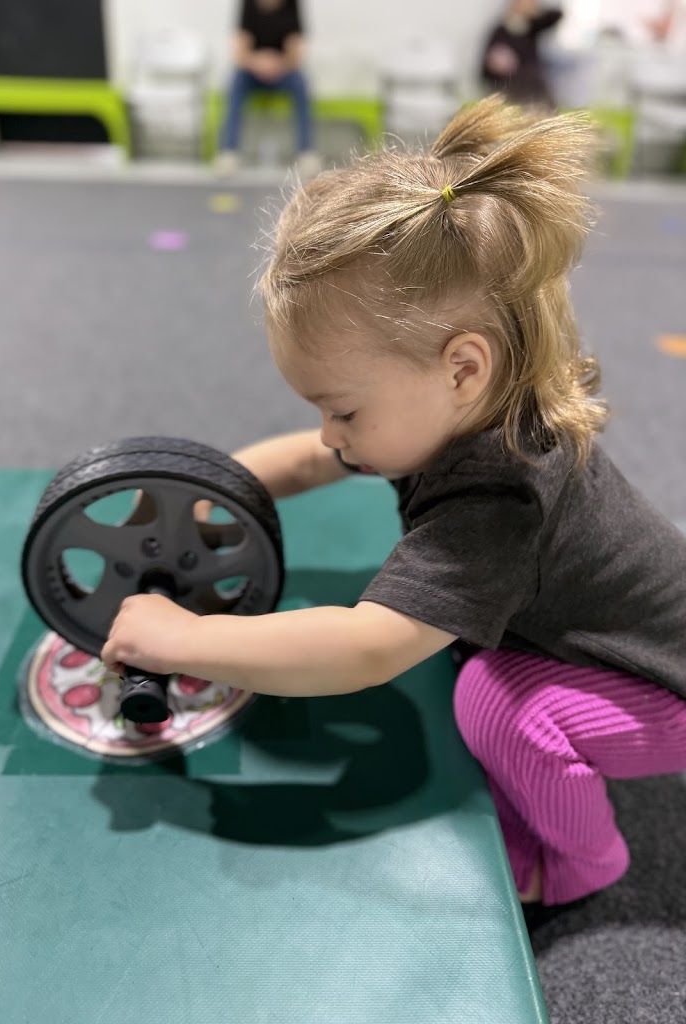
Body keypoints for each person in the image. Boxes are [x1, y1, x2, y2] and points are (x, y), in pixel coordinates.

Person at [103, 96, 686, 914]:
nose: (331, 435)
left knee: (496, 706)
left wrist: (190, 639)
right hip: (628, 627)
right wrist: (204, 500)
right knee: (475, 660)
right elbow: (311, 460)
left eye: (342, 409)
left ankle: (586, 861)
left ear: (461, 369)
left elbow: (365, 649)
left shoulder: (497, 498)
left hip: (665, 688)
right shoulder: (465, 404)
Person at [216, 0, 320, 177]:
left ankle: (306, 152)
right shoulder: (248, 5)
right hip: (253, 73)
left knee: (301, 82)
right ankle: (229, 152)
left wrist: (277, 64)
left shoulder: (292, 5)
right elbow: (240, 53)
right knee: (236, 80)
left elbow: (295, 54)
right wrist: (258, 62)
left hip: (283, 71)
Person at [480, 1, 563, 108]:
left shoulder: (532, 28)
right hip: (511, 88)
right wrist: (495, 65)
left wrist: (534, 14)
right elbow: (484, 71)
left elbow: (557, 15)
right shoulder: (500, 32)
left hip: (536, 87)